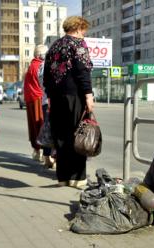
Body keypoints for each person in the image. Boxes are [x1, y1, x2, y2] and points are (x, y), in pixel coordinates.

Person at [43, 16, 94, 188]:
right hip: (75, 96)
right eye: (84, 30)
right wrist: (88, 94)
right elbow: (82, 70)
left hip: (57, 97)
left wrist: (50, 95)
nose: (85, 33)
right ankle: (78, 178)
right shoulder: (78, 44)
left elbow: (47, 76)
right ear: (79, 28)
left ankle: (64, 177)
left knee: (61, 137)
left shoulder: (55, 45)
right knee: (79, 134)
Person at [24, 45, 55, 167]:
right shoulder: (39, 65)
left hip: (31, 98)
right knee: (42, 126)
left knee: (34, 126)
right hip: (39, 97)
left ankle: (36, 151)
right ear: (39, 55)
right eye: (45, 53)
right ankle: (44, 154)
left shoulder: (32, 65)